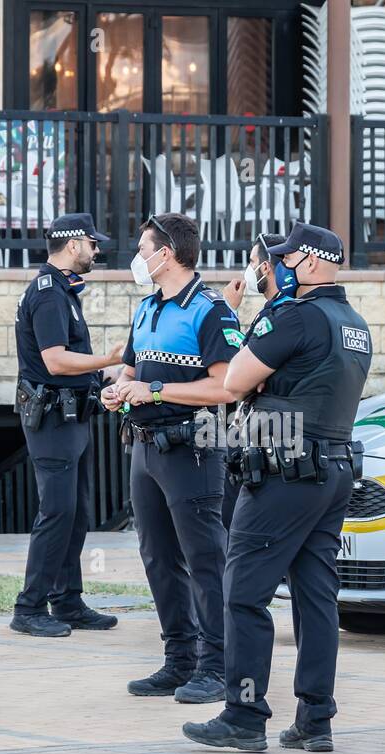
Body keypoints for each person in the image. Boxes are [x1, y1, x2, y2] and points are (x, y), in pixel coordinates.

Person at [182, 223, 371, 753]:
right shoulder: (353, 322)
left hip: (285, 472)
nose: (271, 270)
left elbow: (233, 381)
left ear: (310, 264)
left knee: (242, 594)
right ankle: (315, 720)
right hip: (331, 471)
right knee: (316, 599)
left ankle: (243, 715)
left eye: (281, 260)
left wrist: (256, 334)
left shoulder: (295, 316)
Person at [100, 213, 240, 704]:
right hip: (143, 446)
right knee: (158, 558)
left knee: (205, 559)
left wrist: (154, 389)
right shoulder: (146, 308)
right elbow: (132, 367)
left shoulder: (211, 309)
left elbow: (226, 386)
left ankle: (217, 665)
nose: (137, 257)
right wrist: (118, 387)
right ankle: (178, 659)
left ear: (167, 254)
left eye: (143, 249)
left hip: (192, 450)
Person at [11, 213, 124, 637]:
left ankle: (67, 601)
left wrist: (103, 379)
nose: (97, 252)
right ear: (73, 244)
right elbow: (55, 360)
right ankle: (29, 607)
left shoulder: (63, 291)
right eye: (93, 244)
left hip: (71, 414)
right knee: (56, 512)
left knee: (76, 514)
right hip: (53, 420)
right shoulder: (48, 294)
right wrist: (108, 361)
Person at [219, 232, 287, 529]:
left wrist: (227, 312)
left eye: (251, 261)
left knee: (237, 528)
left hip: (265, 436)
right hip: (256, 435)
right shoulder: (275, 311)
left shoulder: (280, 313)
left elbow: (238, 373)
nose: (247, 270)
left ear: (266, 267)